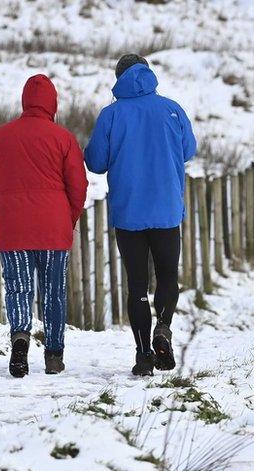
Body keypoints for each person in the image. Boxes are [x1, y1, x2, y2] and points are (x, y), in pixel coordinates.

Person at [84, 54, 197, 376]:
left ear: (118, 78)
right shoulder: (172, 109)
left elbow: (95, 162)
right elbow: (188, 150)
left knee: (137, 286)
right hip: (166, 209)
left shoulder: (111, 115)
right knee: (167, 276)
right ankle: (163, 326)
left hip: (129, 212)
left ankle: (143, 354)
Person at [0, 74, 88, 378]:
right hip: (54, 228)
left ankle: (20, 341)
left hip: (13, 228)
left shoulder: (1, 137)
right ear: (52, 103)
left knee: (19, 288)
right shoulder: (64, 138)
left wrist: (2, 212)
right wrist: (68, 219)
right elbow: (78, 185)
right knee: (54, 291)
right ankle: (54, 355)